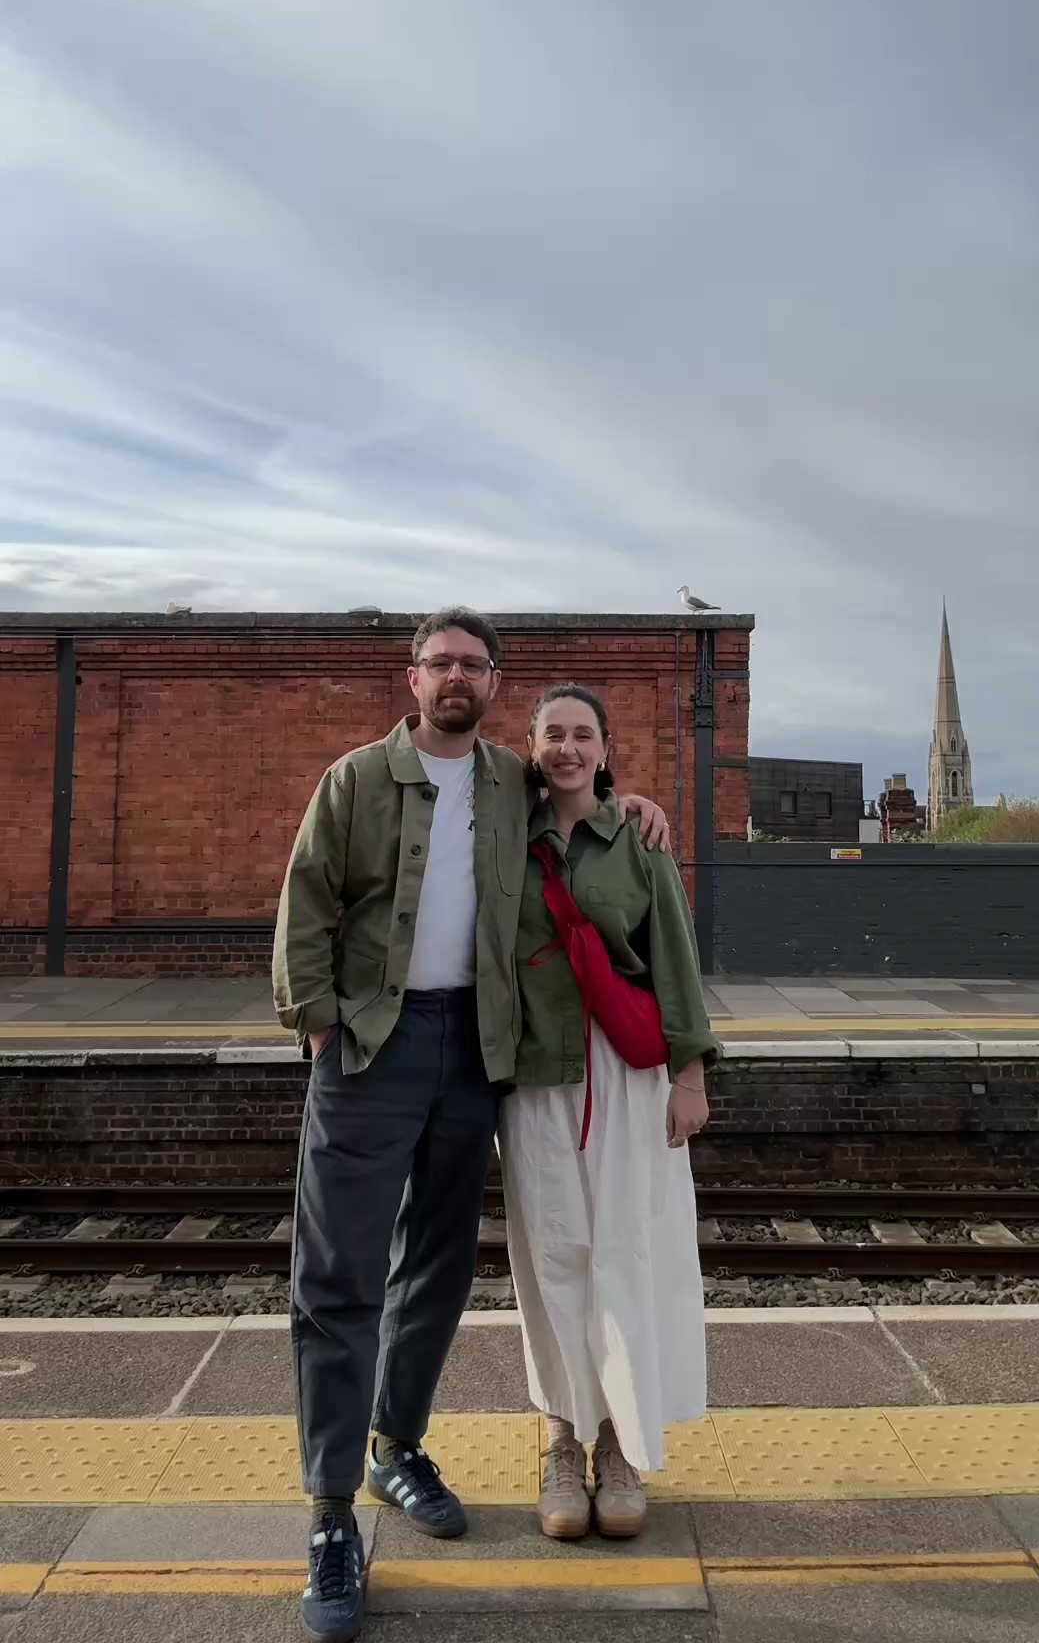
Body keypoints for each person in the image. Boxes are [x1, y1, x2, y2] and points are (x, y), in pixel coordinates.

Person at [272, 609, 671, 1643]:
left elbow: (588, 798)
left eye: (474, 665)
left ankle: (397, 1446)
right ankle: (328, 1512)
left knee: (439, 1266)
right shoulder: (355, 780)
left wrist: (638, 801)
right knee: (338, 1278)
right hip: (372, 1046)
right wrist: (318, 1027)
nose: (457, 677)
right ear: (411, 678)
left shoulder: (513, 782)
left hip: (474, 1055)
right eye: (440, 662)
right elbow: (305, 906)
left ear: (496, 684)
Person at [499, 683, 715, 1543]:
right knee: (553, 1252)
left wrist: (691, 1077)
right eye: (553, 733)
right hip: (533, 1071)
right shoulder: (502, 836)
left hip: (627, 1071)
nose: (566, 748)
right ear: (531, 743)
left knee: (628, 1248)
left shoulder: (639, 840)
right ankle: (561, 1433)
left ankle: (621, 1441)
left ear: (603, 744)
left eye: (582, 734)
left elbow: (675, 958)